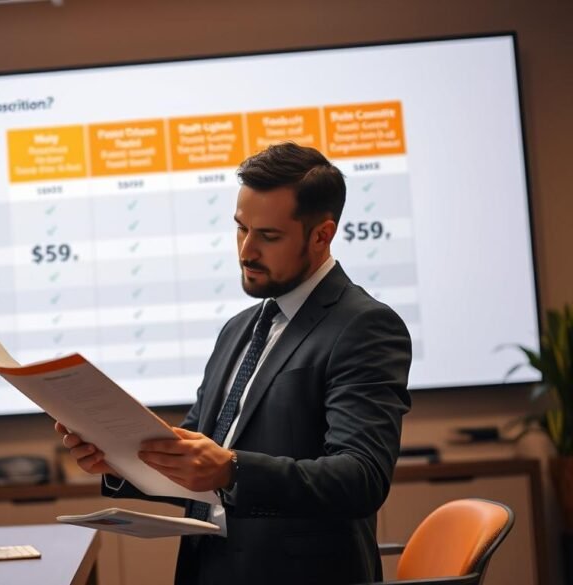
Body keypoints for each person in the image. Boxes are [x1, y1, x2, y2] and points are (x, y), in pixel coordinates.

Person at [56, 142, 412, 585]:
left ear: (322, 235)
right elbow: (195, 460)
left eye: (268, 235)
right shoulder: (238, 329)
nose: (246, 250)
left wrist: (233, 470)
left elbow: (361, 478)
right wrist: (118, 460)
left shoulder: (364, 326)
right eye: (241, 229)